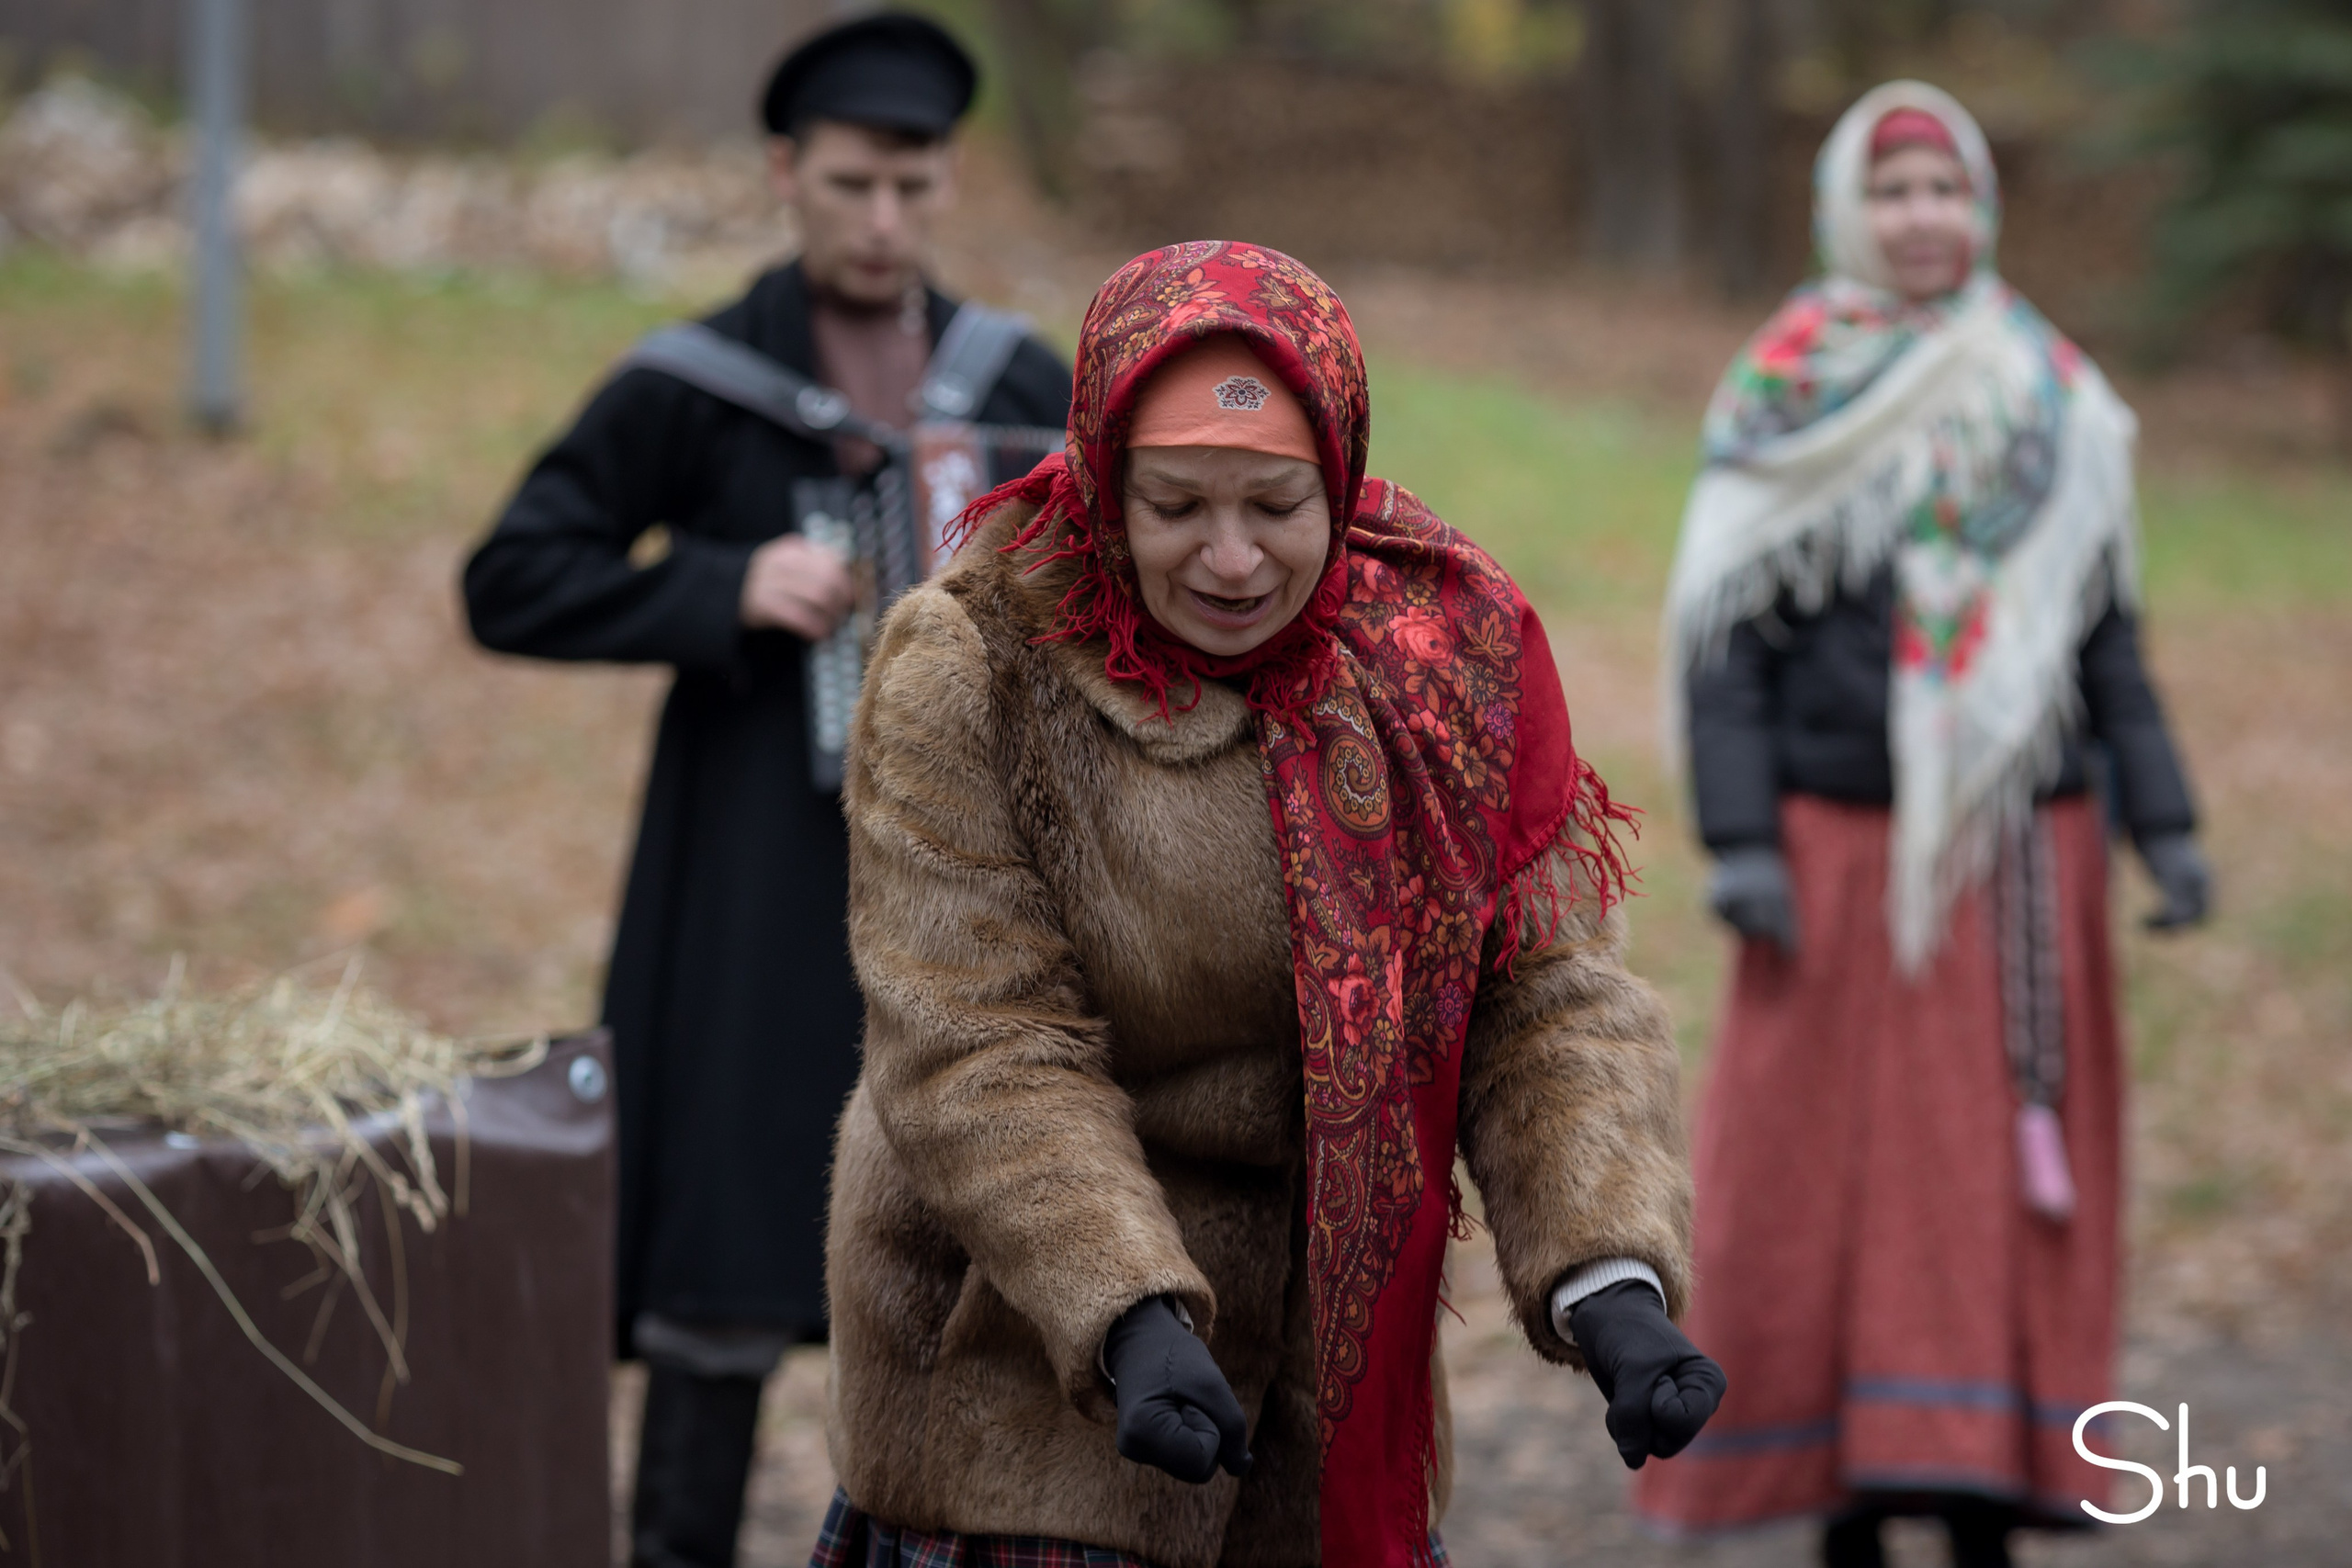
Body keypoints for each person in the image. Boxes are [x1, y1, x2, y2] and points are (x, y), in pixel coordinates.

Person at [814, 242, 1724, 1568]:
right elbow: (975, 1041)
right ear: (1106, 476)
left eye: (1276, 507)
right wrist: (1124, 1310)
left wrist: (1608, 1272)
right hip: (1026, 1380)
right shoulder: (978, 664)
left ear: (1340, 485)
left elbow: (1544, 995)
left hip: (1319, 1397)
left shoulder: (1434, 659)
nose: (1231, 560)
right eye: (1177, 505)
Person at [462, 15, 1071, 1568]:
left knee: (979, 1266)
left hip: (971, 894)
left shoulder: (1017, 380)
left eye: (913, 188)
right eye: (853, 185)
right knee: (723, 1274)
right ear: (787, 176)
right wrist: (723, 588)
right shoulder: (701, 384)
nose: (884, 223)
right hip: (750, 891)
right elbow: (512, 577)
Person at [1636, 84, 2211, 1568]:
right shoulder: (1782, 392)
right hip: (1834, 861)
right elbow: (1728, 649)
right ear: (1845, 211)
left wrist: (2167, 820)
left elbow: (2107, 644)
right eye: (1891, 192)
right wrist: (1745, 839)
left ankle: (1978, 1483)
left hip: (2018, 861)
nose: (1919, 219)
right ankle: (1841, 1485)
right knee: (1818, 1173)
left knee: (1983, 1182)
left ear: (1983, 211)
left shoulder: (2057, 400)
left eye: (1944, 190)